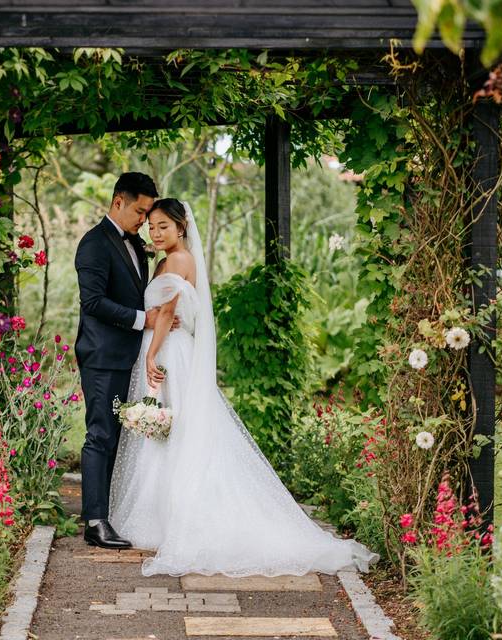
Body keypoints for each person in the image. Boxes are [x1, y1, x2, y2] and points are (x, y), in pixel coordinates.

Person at [109, 198, 379, 576]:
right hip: (172, 348)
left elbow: (168, 312)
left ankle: (172, 519)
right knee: (170, 431)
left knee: (172, 431)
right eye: (151, 226)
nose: (155, 233)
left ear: (181, 227)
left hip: (169, 352)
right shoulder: (169, 260)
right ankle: (162, 517)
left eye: (163, 227)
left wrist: (152, 356)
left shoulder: (177, 260)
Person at [74, 172, 179, 549]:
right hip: (102, 356)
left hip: (129, 356)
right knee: (100, 435)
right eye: (140, 211)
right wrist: (143, 320)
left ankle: (110, 511)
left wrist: (163, 317)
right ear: (118, 201)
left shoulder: (135, 245)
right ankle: (95, 521)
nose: (144, 222)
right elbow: (93, 302)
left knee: (119, 437)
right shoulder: (93, 245)